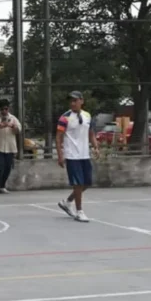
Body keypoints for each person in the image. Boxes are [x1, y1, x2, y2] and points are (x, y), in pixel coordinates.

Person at [56, 91, 100, 222]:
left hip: (84, 154)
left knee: (87, 182)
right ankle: (79, 211)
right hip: (72, 155)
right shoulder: (65, 118)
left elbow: (91, 133)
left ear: (82, 101)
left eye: (75, 100)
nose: (72, 103)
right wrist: (60, 155)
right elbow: (58, 138)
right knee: (78, 183)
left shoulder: (87, 115)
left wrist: (96, 147)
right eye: (71, 101)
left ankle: (67, 202)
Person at [0, 98, 20, 195]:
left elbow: (19, 131)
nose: (4, 111)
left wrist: (13, 126)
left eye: (6, 109)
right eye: (2, 109)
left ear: (8, 108)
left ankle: (2, 186)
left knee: (7, 167)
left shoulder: (13, 118)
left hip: (10, 147)